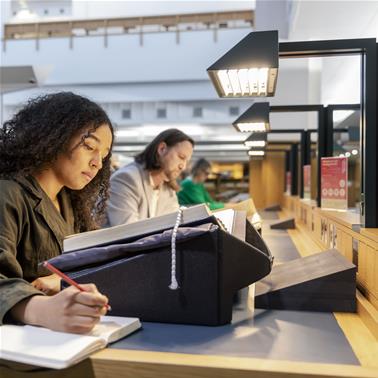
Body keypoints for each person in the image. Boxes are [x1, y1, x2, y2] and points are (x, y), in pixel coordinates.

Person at [0, 92, 113, 334]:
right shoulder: (8, 194)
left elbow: (91, 262)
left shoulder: (71, 205)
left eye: (103, 156)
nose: (98, 163)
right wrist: (44, 309)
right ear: (53, 137)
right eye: (89, 146)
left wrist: (61, 282)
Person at [106, 129, 194, 226]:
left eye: (187, 161)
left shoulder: (168, 190)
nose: (183, 166)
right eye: (181, 157)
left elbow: (175, 227)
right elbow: (127, 232)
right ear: (162, 149)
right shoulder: (126, 179)